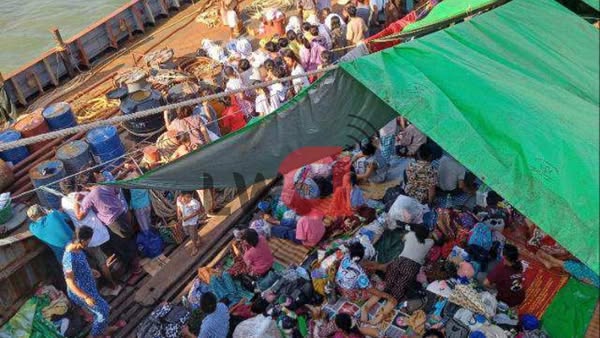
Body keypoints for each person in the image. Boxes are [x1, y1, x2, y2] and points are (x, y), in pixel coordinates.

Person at [63, 226, 126, 338]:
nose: (89, 242)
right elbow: (70, 283)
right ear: (82, 240)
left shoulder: (76, 247)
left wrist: (91, 271)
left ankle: (104, 330)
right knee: (103, 311)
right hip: (82, 292)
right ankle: (94, 335)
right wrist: (86, 297)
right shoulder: (69, 258)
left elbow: (80, 266)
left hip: (89, 287)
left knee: (100, 310)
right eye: (88, 240)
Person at [60, 181, 120, 294]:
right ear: (76, 186)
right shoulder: (83, 195)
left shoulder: (63, 201)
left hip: (84, 237)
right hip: (98, 231)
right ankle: (113, 283)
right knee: (106, 258)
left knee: (100, 261)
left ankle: (111, 283)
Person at [76, 172, 141, 275]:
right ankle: (137, 257)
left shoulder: (89, 198)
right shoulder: (107, 184)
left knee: (123, 244)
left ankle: (136, 266)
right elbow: (116, 191)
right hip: (122, 214)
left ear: (84, 186)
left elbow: (80, 216)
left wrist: (76, 201)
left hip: (113, 223)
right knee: (129, 237)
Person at [335, 242, 397, 325]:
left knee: (368, 265)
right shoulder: (360, 274)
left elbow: (362, 263)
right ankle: (365, 307)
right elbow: (373, 291)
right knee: (381, 286)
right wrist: (388, 296)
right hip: (351, 294)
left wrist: (377, 266)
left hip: (341, 287)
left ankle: (382, 267)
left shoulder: (347, 257)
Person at [177, 191, 204, 256]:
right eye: (187, 197)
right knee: (187, 231)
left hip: (192, 220)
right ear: (182, 196)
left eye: (190, 197)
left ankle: (194, 248)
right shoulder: (178, 199)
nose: (189, 199)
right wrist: (179, 216)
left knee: (192, 233)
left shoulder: (194, 202)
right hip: (184, 220)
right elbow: (178, 208)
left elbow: (197, 212)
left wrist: (187, 218)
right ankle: (197, 237)